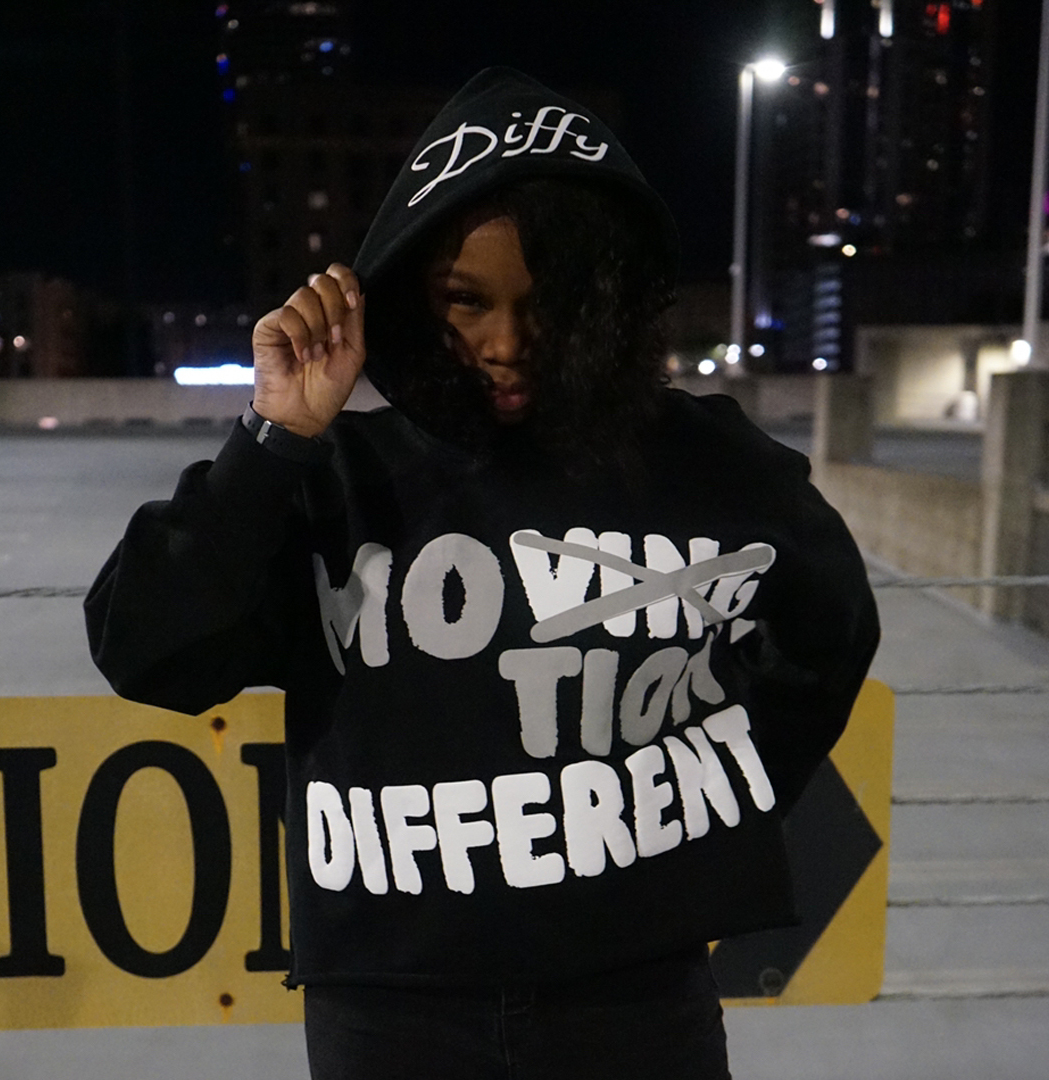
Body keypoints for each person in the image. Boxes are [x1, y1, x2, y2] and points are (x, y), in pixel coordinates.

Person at [85, 68, 879, 1080]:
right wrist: (274, 438)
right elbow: (146, 651)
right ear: (409, 295)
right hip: (390, 1013)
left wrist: (704, 791)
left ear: (609, 300)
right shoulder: (333, 479)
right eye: (466, 301)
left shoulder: (702, 464)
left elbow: (831, 630)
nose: (506, 344)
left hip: (635, 1000)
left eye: (551, 304)